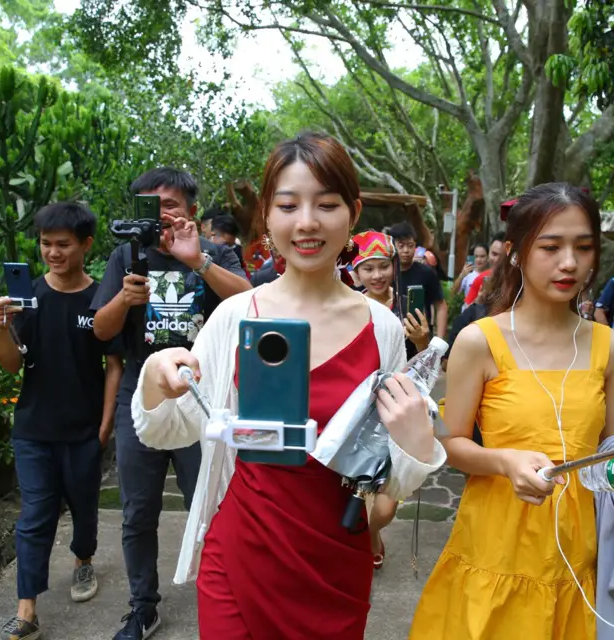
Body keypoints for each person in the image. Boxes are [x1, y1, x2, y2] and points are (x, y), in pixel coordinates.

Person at [130, 132, 446, 639]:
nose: (306, 222)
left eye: (326, 204)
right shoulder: (236, 316)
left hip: (335, 559)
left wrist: (418, 440)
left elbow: (386, 468)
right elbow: (169, 429)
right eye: (288, 204)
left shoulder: (381, 327)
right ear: (267, 216)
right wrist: (156, 375)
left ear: (353, 212)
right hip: (240, 552)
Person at [410, 183, 614, 639]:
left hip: (577, 552)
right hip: (495, 546)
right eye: (551, 246)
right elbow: (450, 444)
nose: (569, 263)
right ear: (517, 253)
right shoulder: (481, 340)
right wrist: (504, 460)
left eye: (583, 247)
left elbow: (613, 449)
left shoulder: (611, 347)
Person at [91, 168, 251, 640]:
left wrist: (198, 261)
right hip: (142, 392)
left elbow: (252, 303)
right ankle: (143, 607)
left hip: (205, 395)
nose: (160, 216)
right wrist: (123, 300)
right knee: (138, 509)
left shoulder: (217, 253)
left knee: (214, 503)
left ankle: (223, 596)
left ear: (191, 212)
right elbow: (101, 330)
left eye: (170, 206)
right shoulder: (126, 255)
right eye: (149, 206)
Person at [0, 203, 124, 640]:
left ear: (85, 244)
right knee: (35, 515)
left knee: (84, 510)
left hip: (84, 430)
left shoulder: (101, 299)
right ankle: (27, 608)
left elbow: (114, 365)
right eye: (46, 244)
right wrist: (1, 329)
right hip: (33, 429)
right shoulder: (29, 298)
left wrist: (105, 426)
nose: (53, 252)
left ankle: (83, 561)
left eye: (63, 244)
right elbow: (11, 366)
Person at [350, 228, 431, 569]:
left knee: (386, 505)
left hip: (397, 408)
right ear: (355, 273)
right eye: (368, 268)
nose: (377, 275)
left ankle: (371, 533)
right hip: (355, 410)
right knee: (353, 494)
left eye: (383, 266)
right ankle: (360, 540)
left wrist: (424, 341)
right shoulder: (346, 305)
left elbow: (426, 364)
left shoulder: (406, 304)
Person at [388, 222, 447, 358]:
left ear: (416, 246)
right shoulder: (385, 274)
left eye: (410, 245)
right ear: (393, 246)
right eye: (401, 245)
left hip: (420, 339)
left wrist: (439, 340)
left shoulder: (426, 273)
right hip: (392, 340)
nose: (406, 250)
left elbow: (440, 305)